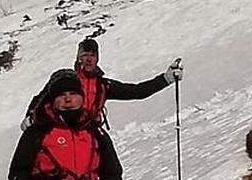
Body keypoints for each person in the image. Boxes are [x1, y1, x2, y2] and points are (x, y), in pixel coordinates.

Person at [23, 38, 183, 131]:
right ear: (78, 58)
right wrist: (30, 117)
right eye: (84, 55)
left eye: (92, 55)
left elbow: (136, 91)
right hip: (60, 131)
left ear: (97, 58)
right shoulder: (64, 80)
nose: (88, 59)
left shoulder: (103, 86)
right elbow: (41, 98)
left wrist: (166, 79)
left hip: (89, 132)